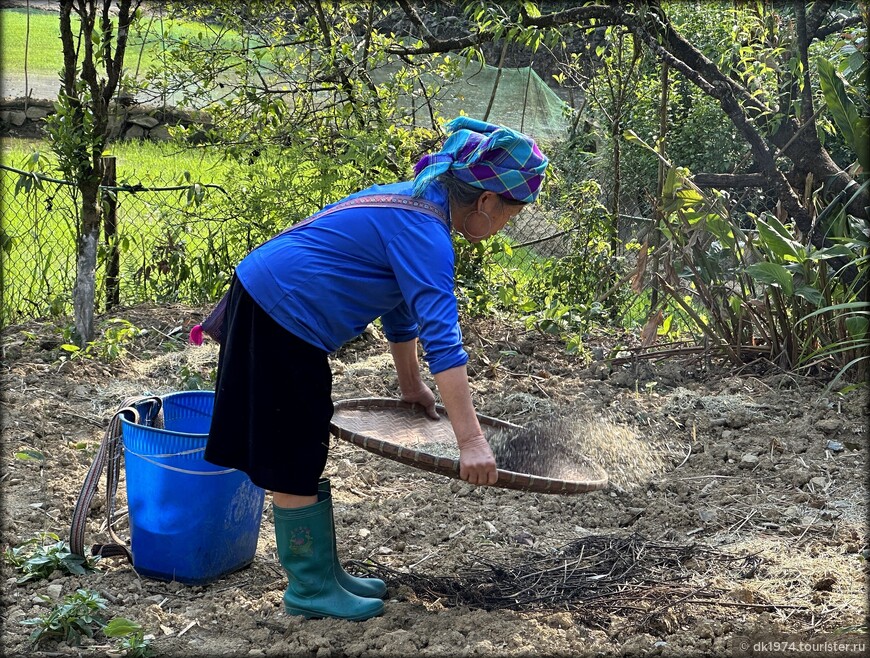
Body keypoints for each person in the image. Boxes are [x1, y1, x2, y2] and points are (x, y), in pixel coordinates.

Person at [202, 116, 549, 621]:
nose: (504, 227)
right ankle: (309, 587)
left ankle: (324, 572)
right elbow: (443, 341)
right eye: (509, 215)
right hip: (281, 312)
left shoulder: (416, 200)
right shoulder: (426, 230)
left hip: (273, 301)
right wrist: (471, 440)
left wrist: (410, 384)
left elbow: (400, 307)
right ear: (486, 201)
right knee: (293, 443)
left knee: (302, 437)